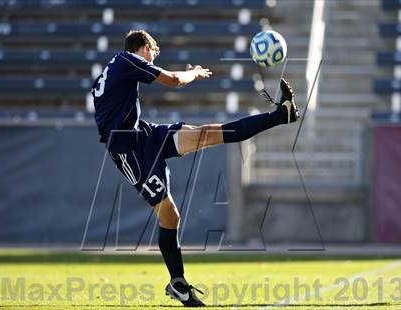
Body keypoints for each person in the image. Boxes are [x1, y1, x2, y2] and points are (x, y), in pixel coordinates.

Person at [92, 30, 299, 307]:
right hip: (129, 151)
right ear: (143, 47)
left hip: (144, 135)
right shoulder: (128, 60)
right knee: (170, 216)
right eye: (154, 52)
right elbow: (174, 80)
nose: (154, 57)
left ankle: (281, 114)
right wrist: (196, 73)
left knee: (210, 133)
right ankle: (177, 284)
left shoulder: (116, 67)